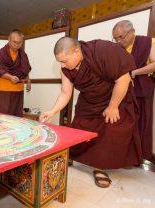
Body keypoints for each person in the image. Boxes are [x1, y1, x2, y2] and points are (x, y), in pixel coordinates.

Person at [40, 37, 143, 188]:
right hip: (89, 100)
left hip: (114, 96)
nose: (62, 65)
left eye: (64, 61)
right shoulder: (66, 68)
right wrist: (53, 110)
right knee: (80, 126)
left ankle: (99, 167)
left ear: (77, 51)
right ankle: (73, 155)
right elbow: (65, 92)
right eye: (59, 62)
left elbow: (123, 79)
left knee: (109, 131)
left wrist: (113, 106)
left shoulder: (101, 50)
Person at [112, 20, 155, 162]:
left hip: (142, 90)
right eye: (115, 38)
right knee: (124, 123)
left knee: (142, 123)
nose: (118, 41)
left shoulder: (147, 42)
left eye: (121, 37)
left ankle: (138, 158)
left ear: (132, 31)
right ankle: (124, 156)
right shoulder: (117, 49)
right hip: (124, 91)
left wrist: (135, 72)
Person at [0, 29, 31, 117]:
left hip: (18, 88)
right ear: (9, 39)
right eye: (14, 42)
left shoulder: (23, 54)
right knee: (0, 116)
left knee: (16, 116)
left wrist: (28, 81)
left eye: (20, 43)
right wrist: (11, 77)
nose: (17, 45)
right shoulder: (2, 53)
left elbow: (25, 69)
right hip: (4, 88)